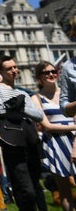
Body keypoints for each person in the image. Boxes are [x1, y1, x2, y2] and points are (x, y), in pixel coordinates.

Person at [0, 55, 47, 211]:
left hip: (30, 139)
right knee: (24, 187)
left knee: (36, 183)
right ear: (0, 71)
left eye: (15, 67)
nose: (14, 71)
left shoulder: (23, 93)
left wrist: (17, 104)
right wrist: (19, 106)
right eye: (9, 68)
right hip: (11, 140)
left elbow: (39, 115)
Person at [31, 61, 76, 211]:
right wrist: (74, 127)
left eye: (53, 71)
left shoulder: (67, 92)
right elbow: (47, 126)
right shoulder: (36, 98)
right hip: (56, 143)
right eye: (46, 72)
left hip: (75, 138)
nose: (51, 74)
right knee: (64, 190)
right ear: (39, 77)